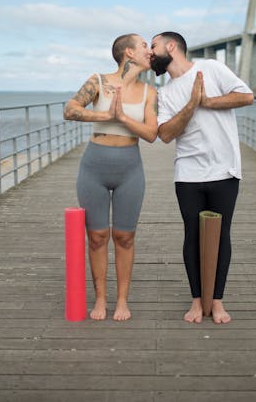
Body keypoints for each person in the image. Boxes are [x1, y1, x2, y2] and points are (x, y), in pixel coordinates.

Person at [151, 31, 254, 324]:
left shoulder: (209, 68)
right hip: (188, 173)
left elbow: (246, 96)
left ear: (171, 46)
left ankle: (217, 301)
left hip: (224, 169)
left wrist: (205, 101)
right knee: (192, 236)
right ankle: (197, 301)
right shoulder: (165, 92)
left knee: (222, 236)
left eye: (154, 46)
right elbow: (166, 134)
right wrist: (191, 104)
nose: (150, 53)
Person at [63, 33, 158, 321]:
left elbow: (152, 134)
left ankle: (122, 301)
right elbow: (70, 109)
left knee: (125, 237)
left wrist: (124, 118)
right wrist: (107, 117)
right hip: (94, 167)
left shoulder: (149, 92)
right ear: (129, 52)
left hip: (130, 168)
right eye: (144, 46)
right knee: (97, 236)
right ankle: (101, 300)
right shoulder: (99, 82)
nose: (149, 50)